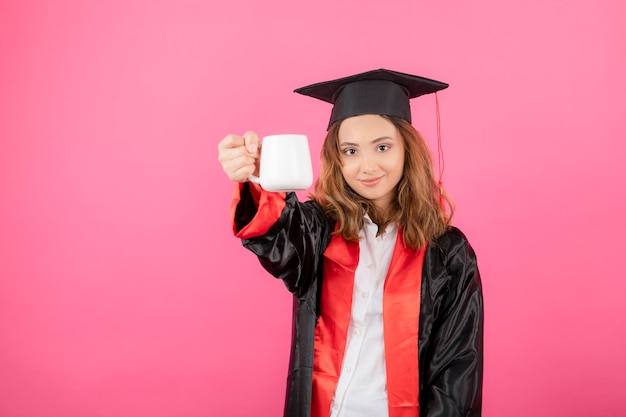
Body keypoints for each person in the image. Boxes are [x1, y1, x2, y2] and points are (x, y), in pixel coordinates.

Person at [217, 69, 483, 417]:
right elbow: (279, 240)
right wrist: (255, 175)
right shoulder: (319, 230)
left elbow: (457, 369)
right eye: (351, 150)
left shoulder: (448, 253)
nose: (367, 165)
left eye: (383, 147)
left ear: (408, 150)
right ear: (337, 158)